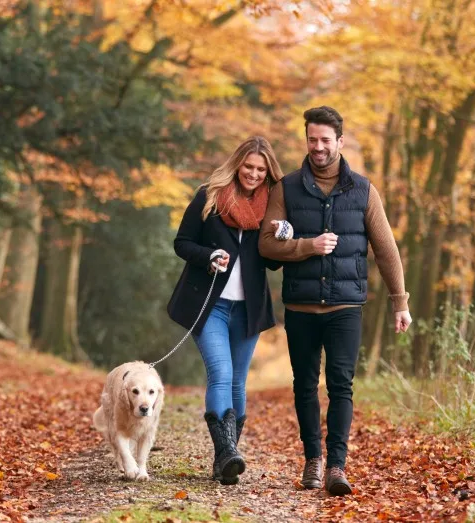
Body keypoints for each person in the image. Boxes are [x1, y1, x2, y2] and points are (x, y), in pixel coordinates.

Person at [259, 106, 413, 496]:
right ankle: (313, 460)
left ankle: (337, 467)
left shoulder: (363, 191)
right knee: (305, 386)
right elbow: (266, 245)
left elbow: (386, 250)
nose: (319, 147)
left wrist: (400, 302)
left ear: (340, 142)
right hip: (300, 307)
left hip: (346, 307)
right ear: (306, 140)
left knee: (341, 386)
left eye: (326, 140)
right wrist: (307, 247)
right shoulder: (286, 189)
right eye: (312, 140)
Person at [167, 136, 284, 485]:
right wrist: (208, 256)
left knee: (238, 381)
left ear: (268, 173)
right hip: (210, 305)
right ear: (237, 164)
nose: (253, 174)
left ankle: (225, 458)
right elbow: (182, 242)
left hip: (248, 310)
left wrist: (281, 236)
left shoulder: (273, 208)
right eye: (248, 166)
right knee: (220, 372)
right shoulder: (210, 196)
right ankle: (228, 453)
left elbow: (274, 265)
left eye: (260, 170)